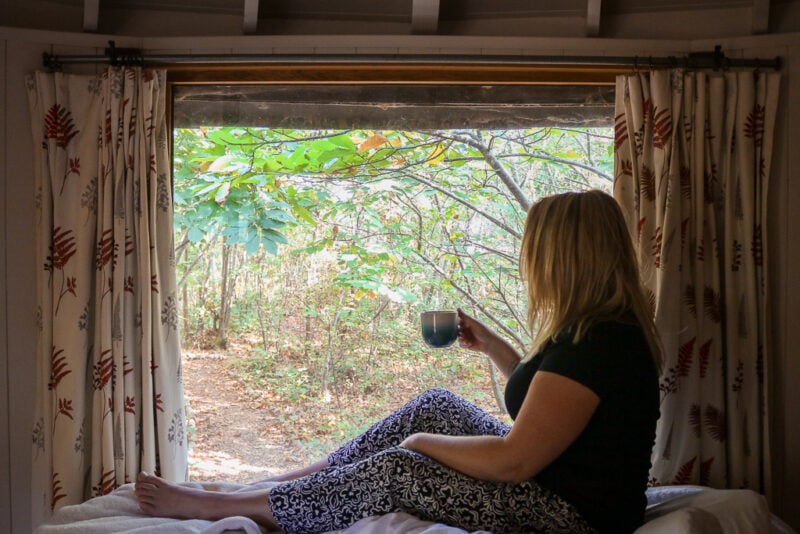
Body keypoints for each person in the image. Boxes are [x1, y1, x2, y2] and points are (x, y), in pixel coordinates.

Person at [135, 189, 662, 534]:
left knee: (399, 469)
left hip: (571, 515)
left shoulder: (603, 341)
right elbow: (550, 406)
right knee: (435, 405)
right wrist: (496, 347)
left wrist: (420, 446)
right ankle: (277, 486)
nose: (529, 266)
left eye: (534, 253)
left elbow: (515, 460)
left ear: (562, 257)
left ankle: (221, 508)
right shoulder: (591, 328)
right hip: (552, 482)